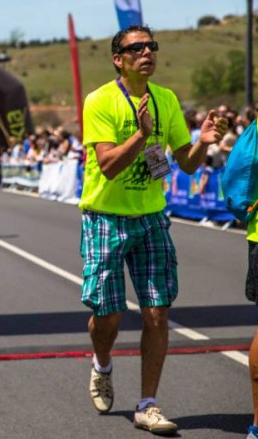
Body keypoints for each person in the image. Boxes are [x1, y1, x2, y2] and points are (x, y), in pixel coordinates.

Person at [79, 25, 226, 435]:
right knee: (107, 317)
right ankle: (102, 363)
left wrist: (204, 142)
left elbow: (189, 163)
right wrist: (141, 135)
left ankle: (148, 404)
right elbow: (107, 164)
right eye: (136, 48)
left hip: (151, 218)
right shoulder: (100, 101)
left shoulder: (166, 100)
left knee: (157, 312)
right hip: (105, 217)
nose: (147, 53)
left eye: (152, 46)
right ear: (118, 59)